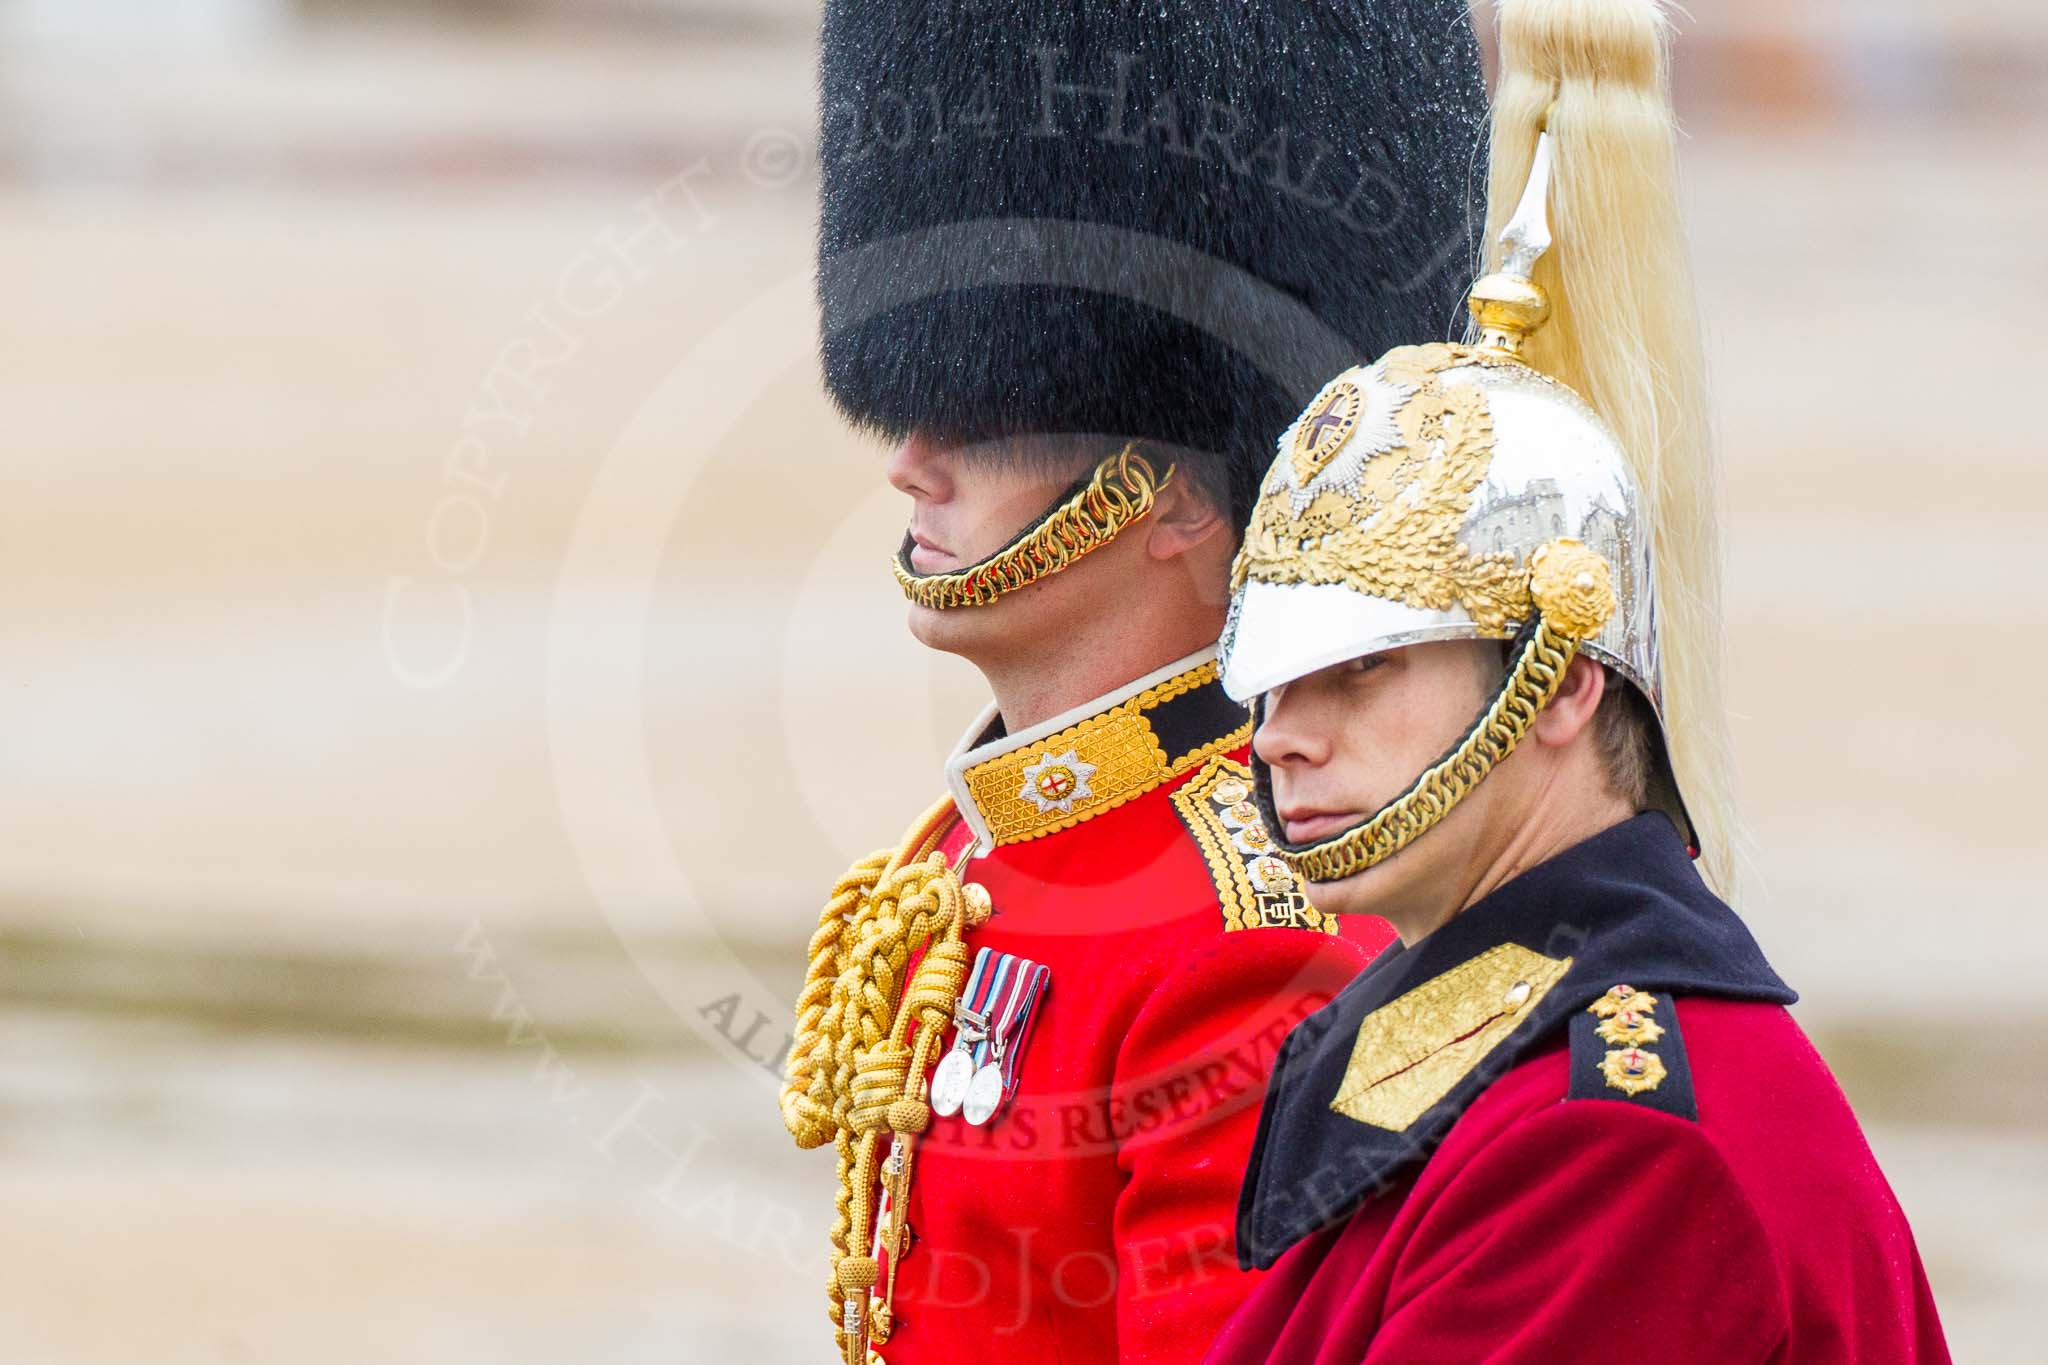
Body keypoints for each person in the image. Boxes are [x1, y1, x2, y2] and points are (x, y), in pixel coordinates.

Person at [1198, 1, 1952, 1360]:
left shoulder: (1611, 1146)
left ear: (1558, 684)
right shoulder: (1476, 1050)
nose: (1282, 739)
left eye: (1358, 668)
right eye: (1272, 679)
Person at [776, 3, 1489, 1362]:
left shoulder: (1248, 941)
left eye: (985, 409)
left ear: (1167, 494)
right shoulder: (969, 855)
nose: (911, 458)